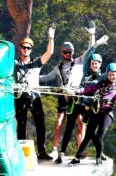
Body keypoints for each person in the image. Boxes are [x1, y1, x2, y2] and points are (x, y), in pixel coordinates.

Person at [55, 46, 116, 164]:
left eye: (96, 64)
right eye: (92, 63)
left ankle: (99, 151)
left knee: (90, 132)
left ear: (100, 64)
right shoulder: (85, 72)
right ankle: (61, 153)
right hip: (78, 102)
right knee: (69, 127)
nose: (94, 65)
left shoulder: (102, 76)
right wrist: (95, 44)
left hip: (88, 106)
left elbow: (115, 66)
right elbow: (87, 55)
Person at [40, 24, 108, 158]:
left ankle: (80, 149)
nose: (67, 54)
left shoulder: (79, 62)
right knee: (59, 121)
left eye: (69, 52)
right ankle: (55, 149)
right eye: (65, 52)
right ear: (62, 53)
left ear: (73, 52)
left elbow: (90, 52)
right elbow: (47, 77)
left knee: (80, 123)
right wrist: (32, 77)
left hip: (76, 96)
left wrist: (92, 35)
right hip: (63, 95)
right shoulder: (59, 67)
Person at [14, 24, 56, 160]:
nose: (25, 50)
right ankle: (20, 152)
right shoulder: (15, 64)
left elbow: (49, 53)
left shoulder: (36, 63)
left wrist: (51, 37)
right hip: (20, 97)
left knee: (40, 124)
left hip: (34, 96)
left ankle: (42, 151)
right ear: (20, 48)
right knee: (21, 124)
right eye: (23, 47)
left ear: (31, 50)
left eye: (28, 48)